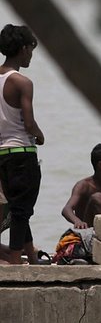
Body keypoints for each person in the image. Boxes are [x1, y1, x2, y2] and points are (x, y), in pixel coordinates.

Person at [0, 24, 44, 265]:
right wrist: (40, 135)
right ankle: (16, 264)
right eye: (31, 50)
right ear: (24, 49)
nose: (31, 56)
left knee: (19, 208)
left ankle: (31, 257)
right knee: (21, 211)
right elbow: (29, 123)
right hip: (22, 152)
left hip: (2, 154)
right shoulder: (22, 82)